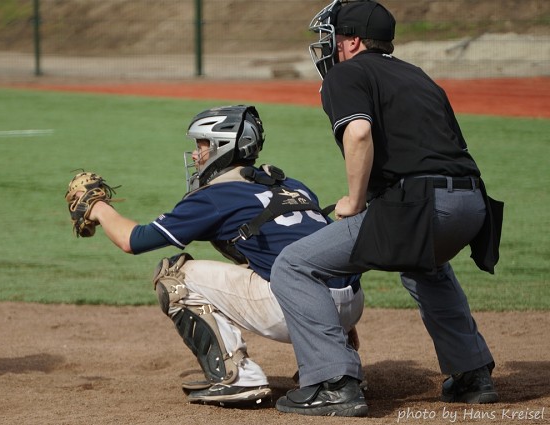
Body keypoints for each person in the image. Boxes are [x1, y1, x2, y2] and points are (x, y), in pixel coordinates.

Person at [270, 0, 503, 417]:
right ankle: (472, 375)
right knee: (424, 266)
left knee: (294, 265)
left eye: (333, 38)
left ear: (354, 41)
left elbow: (359, 133)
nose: (328, 47)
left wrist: (354, 200)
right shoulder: (417, 76)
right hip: (473, 206)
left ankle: (333, 383)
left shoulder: (346, 73)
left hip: (421, 206)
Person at [69, 105, 364, 407]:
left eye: (201, 146)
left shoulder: (216, 196)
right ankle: (328, 361)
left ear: (222, 146)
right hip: (348, 306)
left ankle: (237, 378)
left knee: (174, 276)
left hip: (297, 308)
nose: (195, 155)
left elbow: (133, 240)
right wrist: (342, 324)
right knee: (267, 261)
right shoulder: (291, 185)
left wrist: (97, 207)